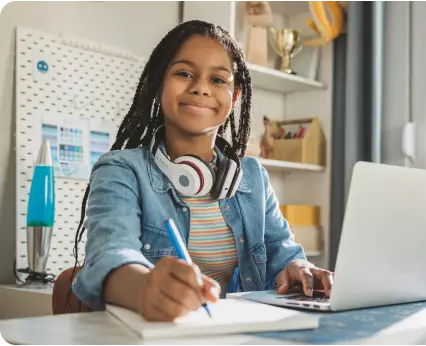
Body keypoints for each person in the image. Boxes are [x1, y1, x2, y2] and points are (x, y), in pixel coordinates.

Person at [70, 20, 334, 322]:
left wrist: (298, 268)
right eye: (184, 73)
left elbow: (281, 253)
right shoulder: (121, 170)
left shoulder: (252, 177)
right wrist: (145, 288)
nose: (200, 88)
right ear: (159, 84)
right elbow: (110, 256)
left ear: (234, 98)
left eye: (219, 80)